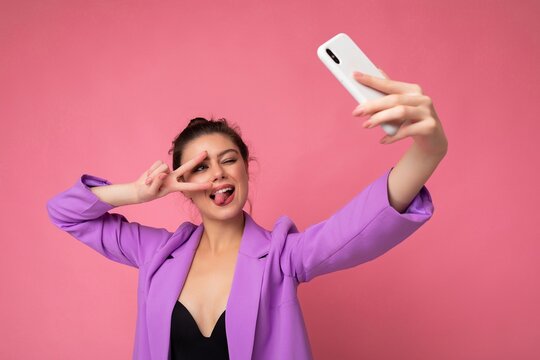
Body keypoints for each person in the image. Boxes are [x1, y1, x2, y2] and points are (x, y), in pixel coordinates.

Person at [46, 70, 448, 360]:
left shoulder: (283, 257)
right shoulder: (155, 253)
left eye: (228, 160)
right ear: (182, 181)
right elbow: (65, 213)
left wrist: (427, 151)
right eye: (200, 168)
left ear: (245, 168)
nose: (218, 173)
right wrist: (136, 192)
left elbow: (360, 224)